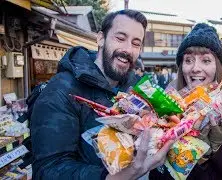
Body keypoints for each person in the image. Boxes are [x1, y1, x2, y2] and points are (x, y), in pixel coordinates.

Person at [31, 10, 174, 180]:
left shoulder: (137, 88)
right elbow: (48, 170)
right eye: (120, 38)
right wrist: (115, 176)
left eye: (136, 44)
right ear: (100, 38)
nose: (127, 49)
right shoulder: (61, 90)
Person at [149, 23, 222, 179]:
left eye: (206, 60)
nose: (195, 68)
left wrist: (221, 143)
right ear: (181, 68)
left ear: (218, 66)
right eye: (188, 60)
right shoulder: (170, 113)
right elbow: (157, 177)